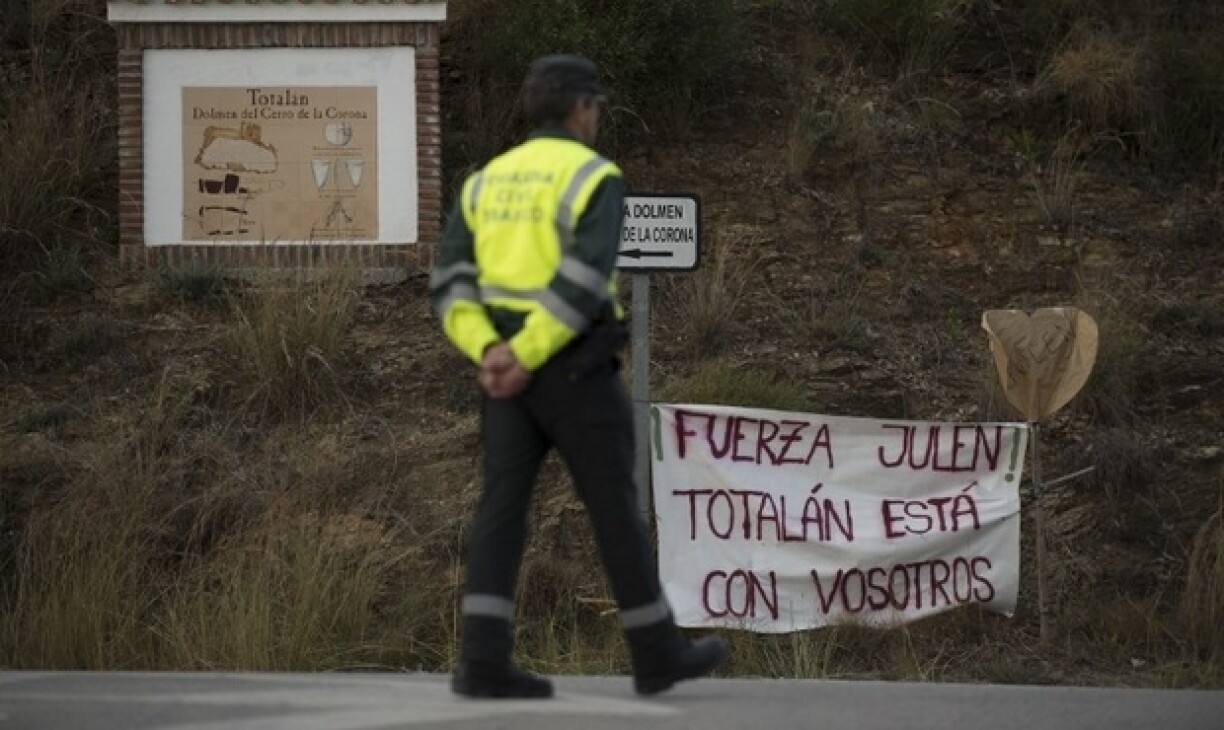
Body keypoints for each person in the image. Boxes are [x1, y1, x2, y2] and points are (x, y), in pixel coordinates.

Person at [429, 54, 727, 699]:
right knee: (615, 507)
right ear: (582, 109)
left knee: (501, 511)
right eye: (598, 107)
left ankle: (481, 661)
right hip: (573, 369)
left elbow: (450, 284)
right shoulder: (593, 176)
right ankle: (655, 653)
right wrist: (530, 352)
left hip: (503, 377)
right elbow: (584, 279)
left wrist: (491, 351)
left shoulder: (484, 182)